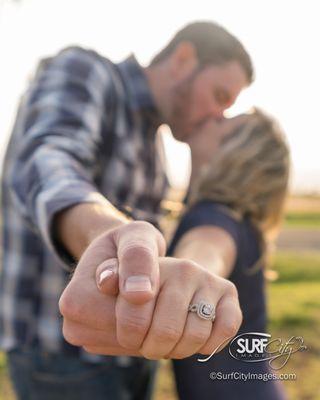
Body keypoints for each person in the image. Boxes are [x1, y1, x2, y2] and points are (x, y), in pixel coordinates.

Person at [0, 21, 253, 399]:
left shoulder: (155, 142)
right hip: (60, 354)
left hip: (133, 352)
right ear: (183, 59)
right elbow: (47, 158)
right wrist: (107, 233)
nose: (217, 116)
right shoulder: (88, 73)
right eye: (219, 95)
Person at [166, 109, 290, 399]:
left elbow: (208, 252)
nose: (211, 116)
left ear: (234, 153)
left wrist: (192, 275)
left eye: (222, 121)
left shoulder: (213, 218)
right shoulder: (235, 218)